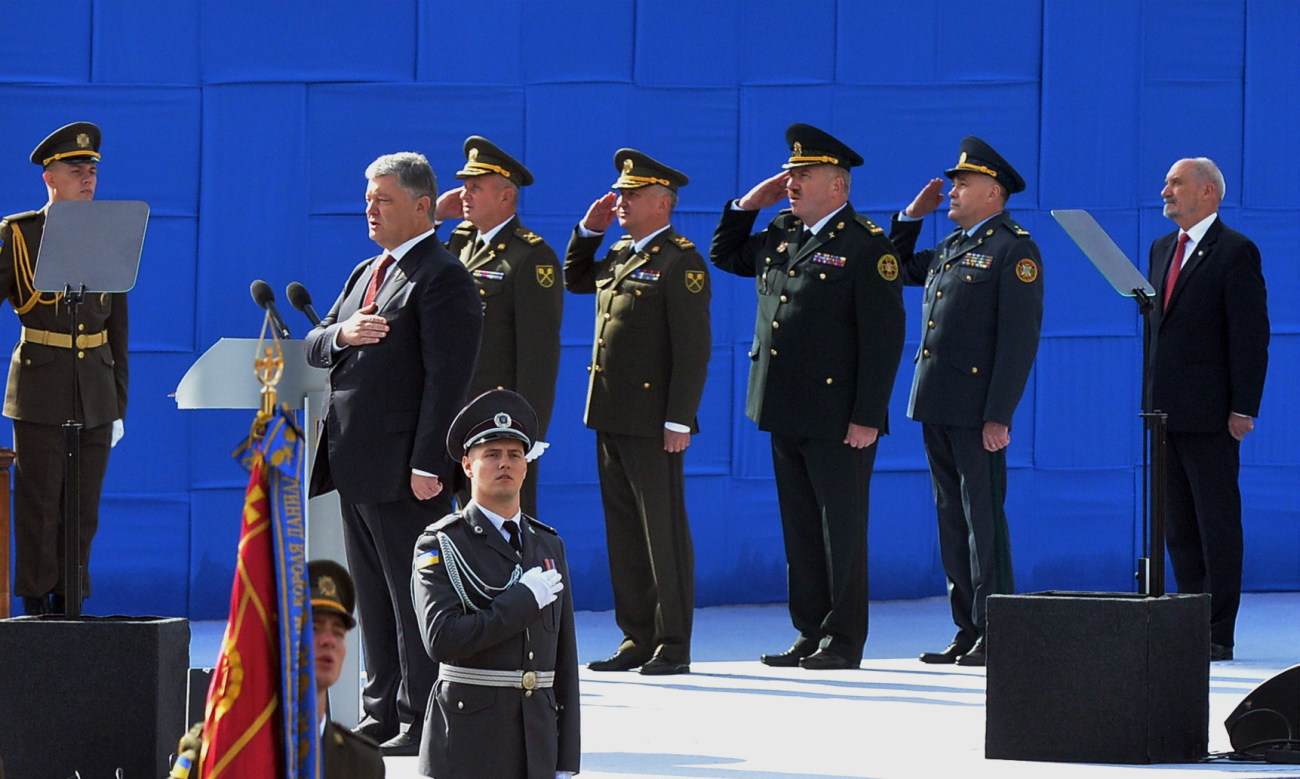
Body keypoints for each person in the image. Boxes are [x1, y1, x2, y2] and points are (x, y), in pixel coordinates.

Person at [305, 151, 483, 755]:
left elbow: (447, 379)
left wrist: (430, 461)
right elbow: (315, 342)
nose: (370, 210)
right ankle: (381, 710)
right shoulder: (366, 271)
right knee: (374, 596)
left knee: (415, 598)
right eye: (368, 199)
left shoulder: (442, 275)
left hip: (407, 468)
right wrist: (342, 333)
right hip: (355, 463)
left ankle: (422, 715)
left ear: (421, 206)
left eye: (383, 200)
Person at [710, 123, 905, 670]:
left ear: (837, 186)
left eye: (803, 175)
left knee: (839, 530)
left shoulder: (866, 244)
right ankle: (810, 629)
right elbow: (725, 255)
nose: (790, 182)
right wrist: (748, 204)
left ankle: (843, 639)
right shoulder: (781, 231)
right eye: (790, 173)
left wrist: (867, 415)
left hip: (839, 414)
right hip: (784, 406)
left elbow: (883, 339)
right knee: (799, 527)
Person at [889, 136, 1044, 667]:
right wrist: (912, 215)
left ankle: (996, 629)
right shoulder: (952, 246)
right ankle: (967, 626)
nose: (952, 190)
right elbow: (894, 266)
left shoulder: (1013, 249)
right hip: (937, 401)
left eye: (963, 183)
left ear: (993, 193)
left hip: (978, 409)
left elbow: (1018, 339)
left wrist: (999, 413)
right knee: (951, 520)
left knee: (983, 520)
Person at [564, 149, 711, 676]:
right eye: (620, 193)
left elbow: (692, 347)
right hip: (610, 412)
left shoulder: (680, 260)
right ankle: (636, 635)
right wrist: (589, 229)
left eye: (632, 195)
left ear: (663, 203)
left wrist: (679, 419)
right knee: (623, 530)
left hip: (653, 420)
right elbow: (575, 279)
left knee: (662, 531)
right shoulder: (622, 250)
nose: (620, 201)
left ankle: (672, 642)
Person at [412, 389, 579, 779]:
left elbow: (564, 659)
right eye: (492, 455)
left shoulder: (547, 543)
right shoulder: (441, 544)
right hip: (469, 742)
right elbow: (442, 639)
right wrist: (520, 602)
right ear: (468, 465)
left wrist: (566, 757)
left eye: (514, 455)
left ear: (525, 466)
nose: (505, 463)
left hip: (537, 743)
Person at [0, 121, 128, 616]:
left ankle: (71, 600)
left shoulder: (110, 235)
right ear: (49, 176)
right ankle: (36, 603)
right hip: (39, 383)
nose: (88, 177)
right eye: (76, 168)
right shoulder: (19, 234)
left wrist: (118, 401)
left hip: (94, 385)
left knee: (83, 508)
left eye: (92, 169)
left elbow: (118, 328)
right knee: (38, 504)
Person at [1148, 157, 1269, 661]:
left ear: (1208, 193)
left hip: (1213, 413)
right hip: (1164, 413)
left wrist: (1243, 407)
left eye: (1175, 183)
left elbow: (1250, 336)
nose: (1165, 191)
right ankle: (1189, 616)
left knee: (1215, 521)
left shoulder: (1236, 252)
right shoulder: (1160, 249)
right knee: (1177, 525)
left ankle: (1219, 630)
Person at [434, 136, 563, 517]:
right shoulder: (459, 241)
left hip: (500, 417)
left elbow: (539, 352)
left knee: (508, 519)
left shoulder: (530, 256)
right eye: (464, 186)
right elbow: (414, 275)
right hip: (455, 408)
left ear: (506, 197)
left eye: (475, 187)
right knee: (461, 520)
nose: (464, 194)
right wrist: (434, 220)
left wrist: (532, 430)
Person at [168, 561, 386, 779]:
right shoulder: (213, 751)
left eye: (338, 632)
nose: (328, 641)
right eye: (314, 628)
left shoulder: (363, 763)